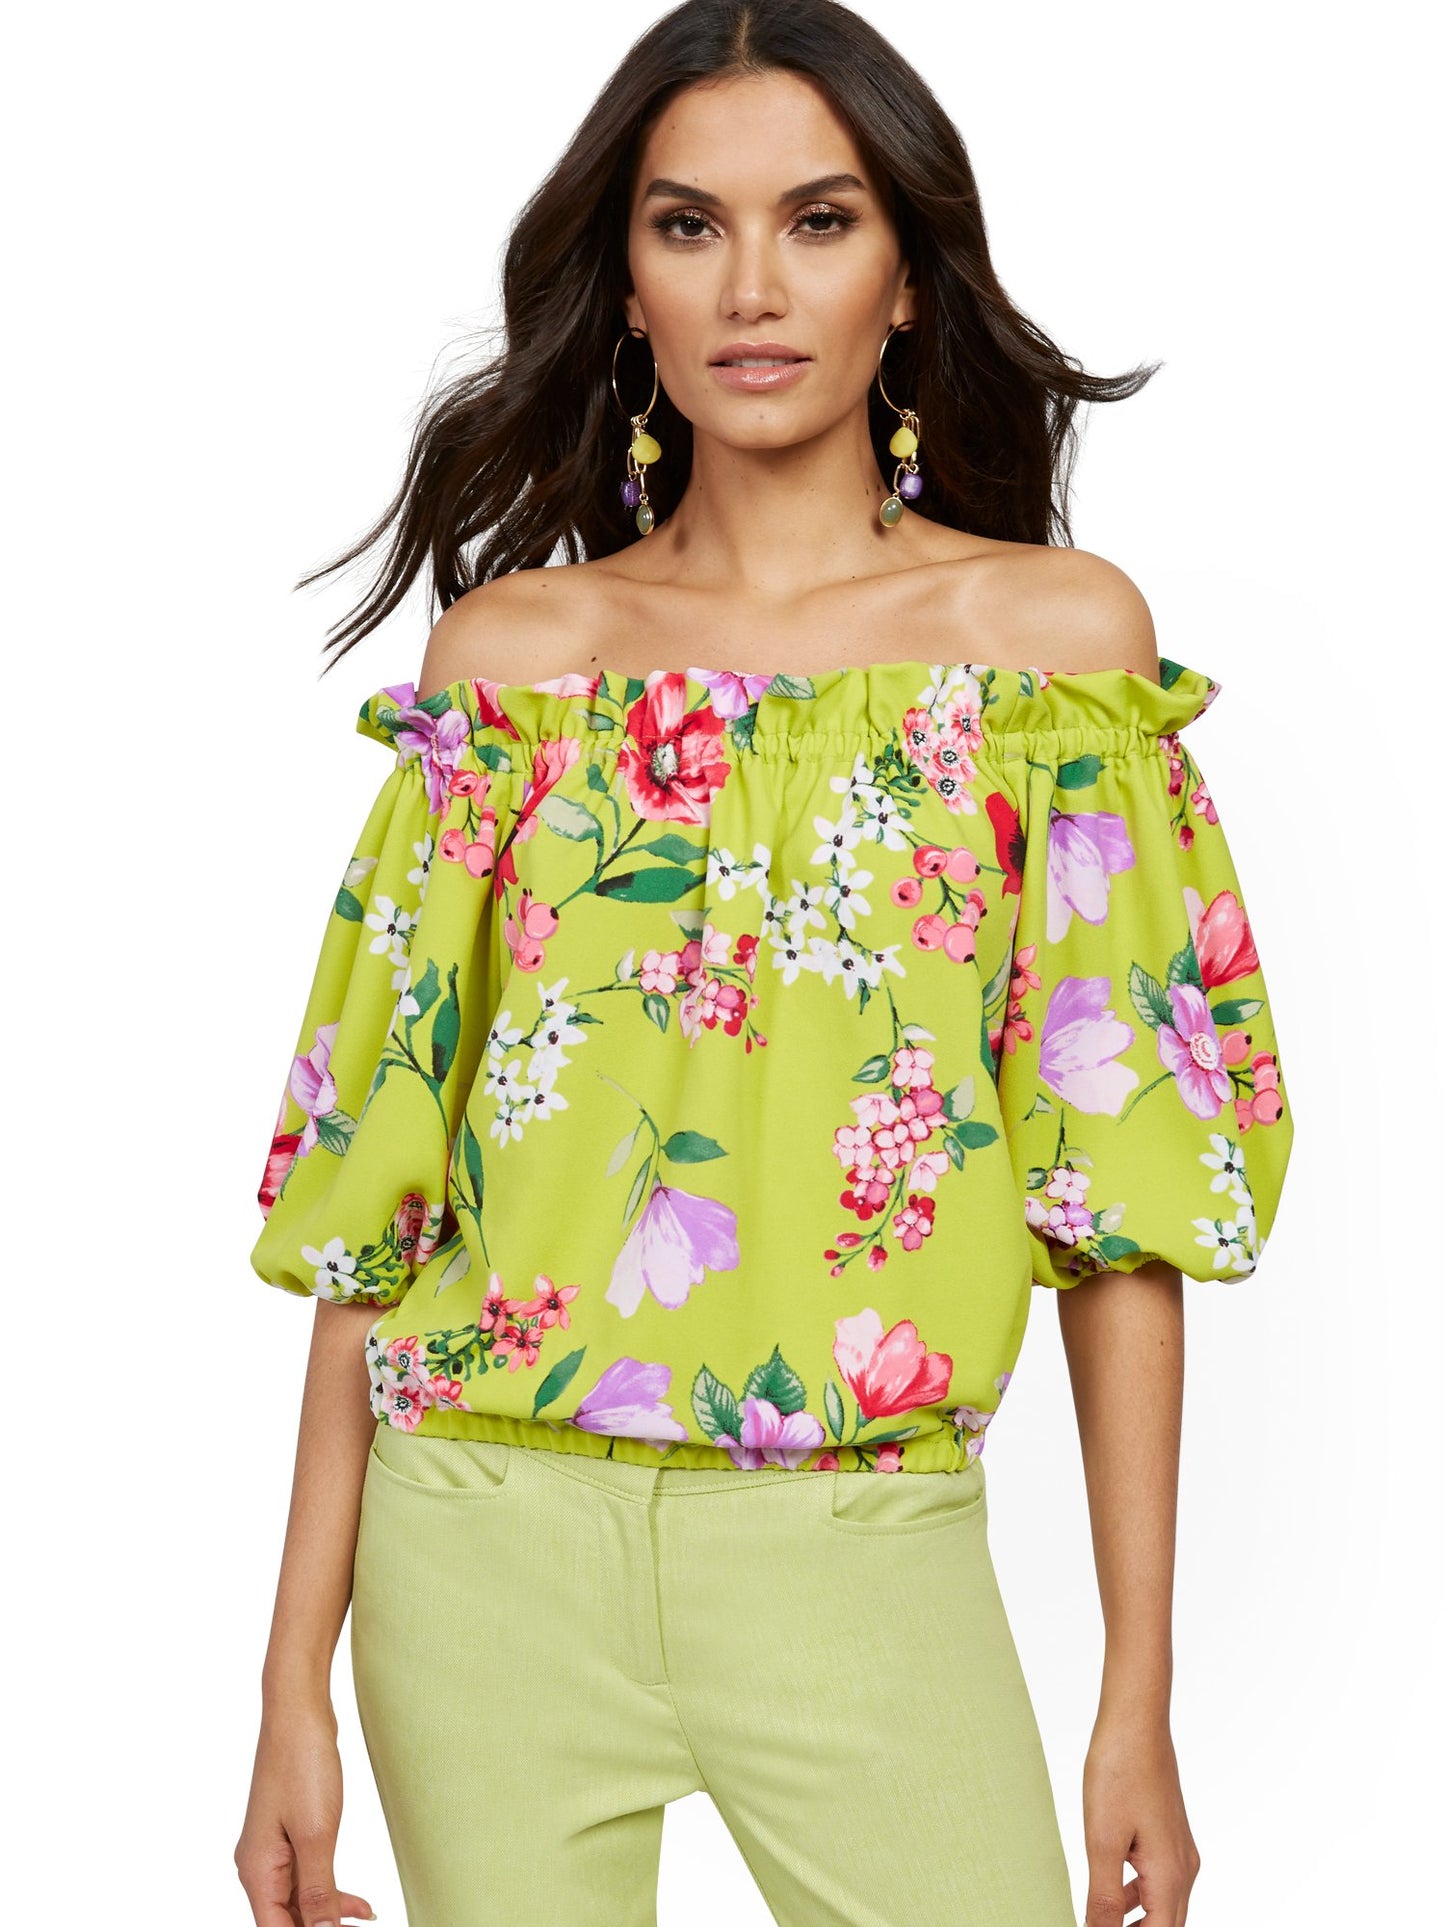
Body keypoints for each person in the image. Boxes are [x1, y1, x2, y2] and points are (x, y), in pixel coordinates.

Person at [234, 3, 1294, 1923]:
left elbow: (1116, 1200)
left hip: (860, 1545)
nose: (749, 286)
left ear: (909, 275)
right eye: (685, 225)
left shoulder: (1051, 659)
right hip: (478, 1540)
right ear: (626, 284)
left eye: (817, 220)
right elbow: (376, 1199)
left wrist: (1134, 1695)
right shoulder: (514, 669)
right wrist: (285, 1684)